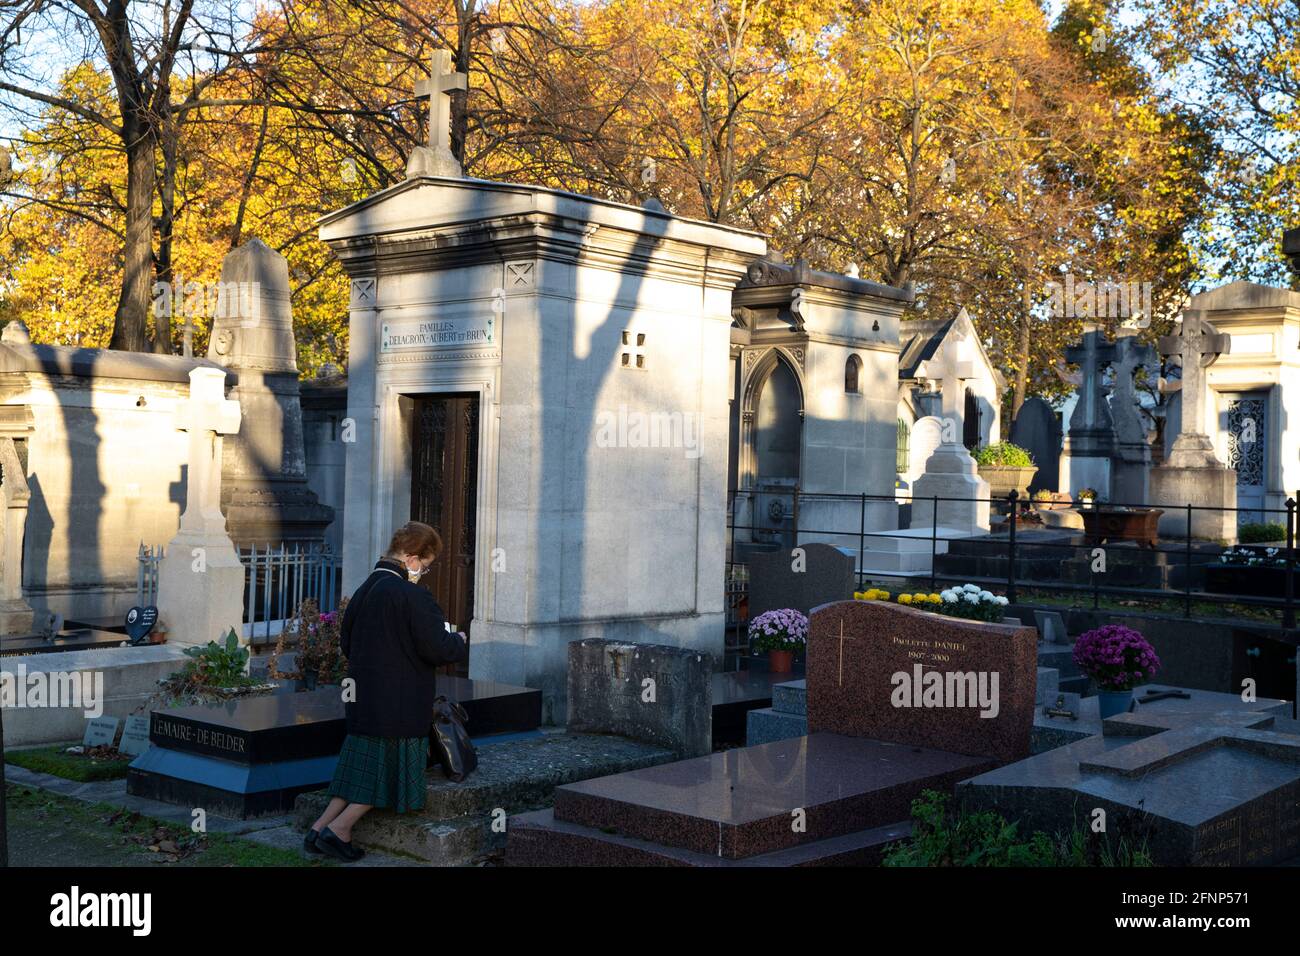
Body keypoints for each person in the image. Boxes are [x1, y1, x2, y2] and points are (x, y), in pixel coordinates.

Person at [305, 521, 467, 862]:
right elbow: (437, 647)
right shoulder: (411, 595)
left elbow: (347, 643)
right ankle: (340, 830)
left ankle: (319, 827)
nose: (424, 571)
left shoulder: (365, 589)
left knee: (357, 770)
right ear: (410, 557)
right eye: (425, 564)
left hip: (364, 700)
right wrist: (458, 641)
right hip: (399, 704)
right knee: (386, 772)